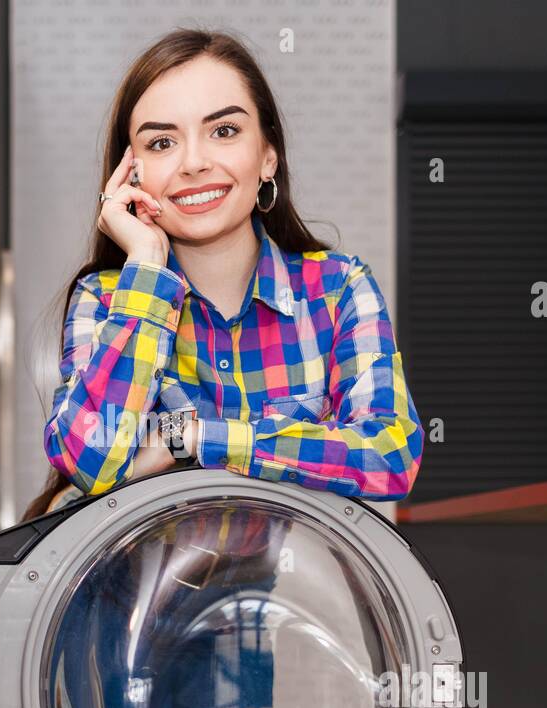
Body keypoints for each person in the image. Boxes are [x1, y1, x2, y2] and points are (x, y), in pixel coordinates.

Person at [23, 28, 423, 521]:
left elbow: (389, 457)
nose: (193, 163)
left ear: (268, 156)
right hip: (134, 594)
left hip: (296, 595)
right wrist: (146, 264)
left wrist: (187, 438)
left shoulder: (337, 289)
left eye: (224, 131)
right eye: (162, 141)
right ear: (131, 175)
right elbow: (90, 460)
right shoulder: (106, 298)